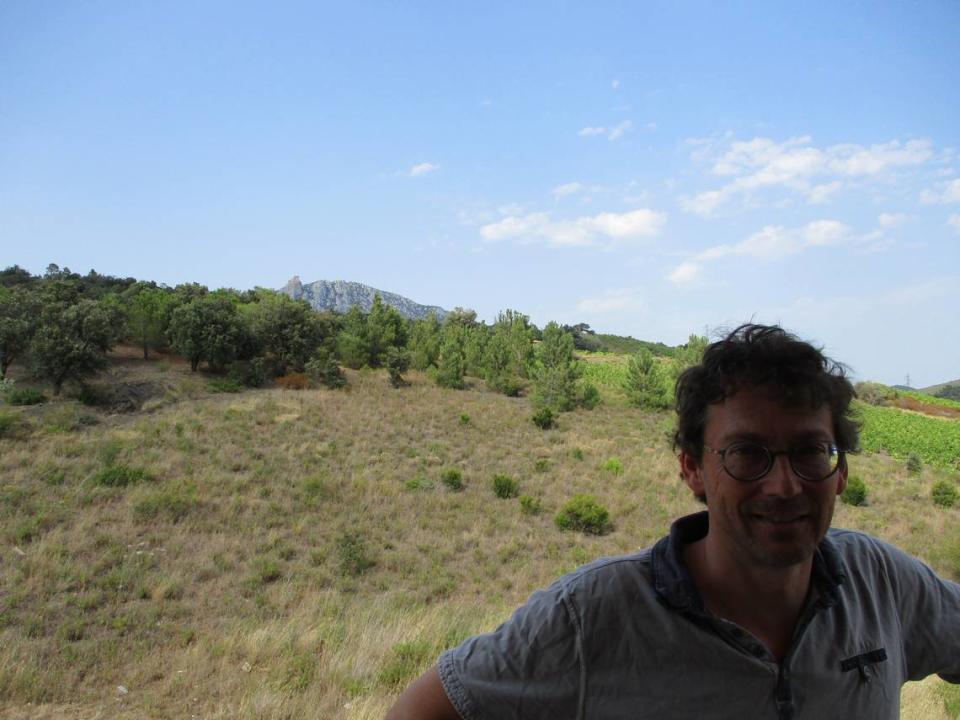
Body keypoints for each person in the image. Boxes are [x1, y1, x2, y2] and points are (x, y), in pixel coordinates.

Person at [385, 324, 960, 720]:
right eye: (746, 453)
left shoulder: (882, 583)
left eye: (811, 451)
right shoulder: (592, 616)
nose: (784, 486)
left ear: (841, 471)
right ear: (693, 470)